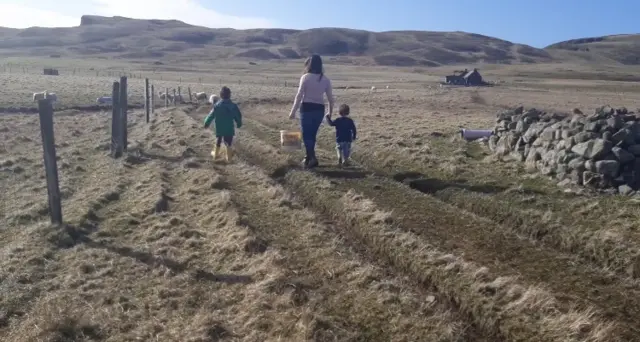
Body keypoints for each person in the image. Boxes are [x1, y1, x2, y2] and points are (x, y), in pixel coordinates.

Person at [288, 54, 334, 168]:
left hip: (307, 108)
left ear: (310, 64)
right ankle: (307, 157)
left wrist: (293, 111)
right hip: (319, 109)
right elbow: (330, 99)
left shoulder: (305, 77)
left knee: (306, 135)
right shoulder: (326, 80)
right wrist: (330, 113)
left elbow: (299, 96)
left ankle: (312, 158)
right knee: (311, 135)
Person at [203, 86, 242, 162]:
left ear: (220, 95)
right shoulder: (233, 106)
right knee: (228, 142)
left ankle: (215, 155)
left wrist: (206, 123)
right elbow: (238, 116)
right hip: (229, 129)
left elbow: (211, 115)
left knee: (218, 140)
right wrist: (239, 123)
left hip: (219, 128)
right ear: (230, 95)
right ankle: (229, 158)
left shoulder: (217, 106)